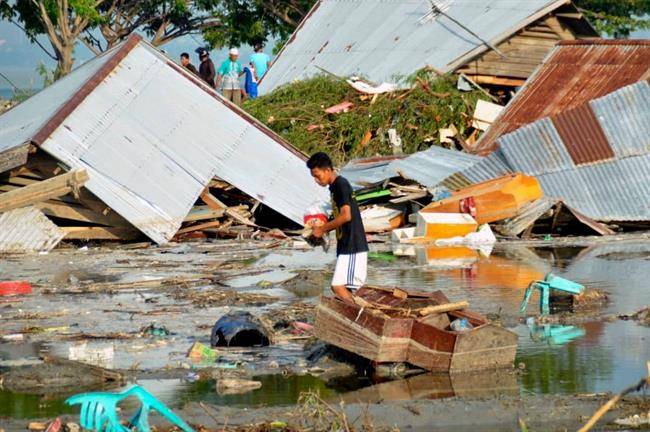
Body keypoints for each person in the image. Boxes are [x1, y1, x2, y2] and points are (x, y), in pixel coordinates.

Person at [307, 152, 368, 304]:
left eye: (317, 175)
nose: (316, 180)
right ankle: (357, 317)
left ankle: (359, 319)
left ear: (327, 170)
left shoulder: (341, 185)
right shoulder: (334, 188)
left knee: (339, 287)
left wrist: (322, 229)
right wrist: (323, 226)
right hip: (346, 244)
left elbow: (346, 216)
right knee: (340, 288)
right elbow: (340, 216)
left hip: (353, 244)